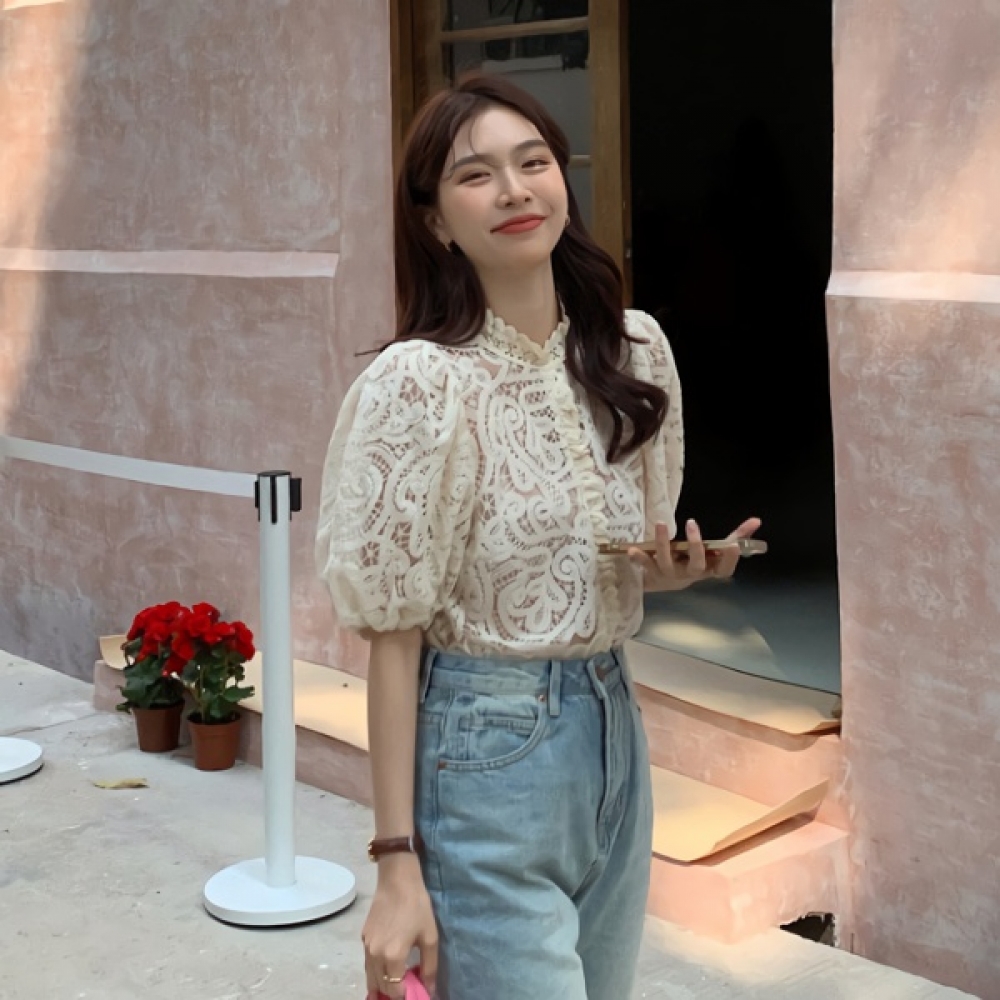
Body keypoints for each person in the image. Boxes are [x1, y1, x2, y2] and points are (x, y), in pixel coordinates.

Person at [315, 73, 760, 1000]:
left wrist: (675, 571)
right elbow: (393, 635)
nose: (515, 190)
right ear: (436, 220)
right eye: (476, 175)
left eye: (533, 162)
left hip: (614, 727)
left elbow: (587, 570)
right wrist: (395, 862)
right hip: (485, 749)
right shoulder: (420, 384)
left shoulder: (632, 352)